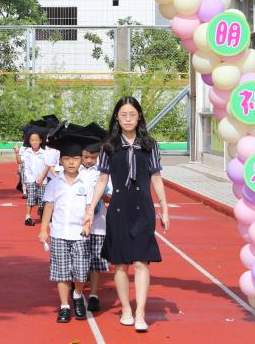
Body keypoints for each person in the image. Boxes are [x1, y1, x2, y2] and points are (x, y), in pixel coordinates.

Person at [84, 97, 170, 333]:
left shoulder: (150, 145)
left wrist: (164, 207)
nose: (128, 119)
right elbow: (102, 179)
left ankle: (140, 312)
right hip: (118, 209)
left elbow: (156, 177)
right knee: (121, 264)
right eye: (124, 114)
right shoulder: (108, 146)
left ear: (139, 116)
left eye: (132, 114)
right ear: (117, 118)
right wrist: (91, 209)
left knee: (142, 261)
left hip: (143, 208)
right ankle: (126, 309)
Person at [38, 140, 93, 323]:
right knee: (61, 272)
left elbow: (90, 207)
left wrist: (87, 225)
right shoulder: (54, 183)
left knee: (81, 271)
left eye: (75, 158)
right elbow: (49, 207)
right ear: (61, 161)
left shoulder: (87, 183)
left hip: (80, 234)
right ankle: (64, 306)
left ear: (81, 160)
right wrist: (43, 229)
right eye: (67, 158)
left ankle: (77, 295)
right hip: (59, 233)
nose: (71, 162)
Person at [80, 128, 111, 312]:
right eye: (86, 157)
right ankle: (77, 290)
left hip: (98, 224)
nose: (89, 160)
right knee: (79, 259)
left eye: (93, 157)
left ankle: (93, 295)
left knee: (96, 261)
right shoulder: (74, 171)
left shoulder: (103, 173)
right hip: (78, 224)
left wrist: (104, 196)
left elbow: (110, 196)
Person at [18, 128, 49, 226]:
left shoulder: (44, 152)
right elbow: (19, 161)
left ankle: (42, 211)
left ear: (40, 141)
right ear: (29, 141)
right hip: (30, 179)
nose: (34, 142)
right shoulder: (27, 152)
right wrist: (16, 152)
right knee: (31, 197)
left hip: (42, 180)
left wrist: (42, 178)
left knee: (42, 198)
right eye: (32, 140)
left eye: (36, 140)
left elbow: (47, 166)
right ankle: (27, 217)